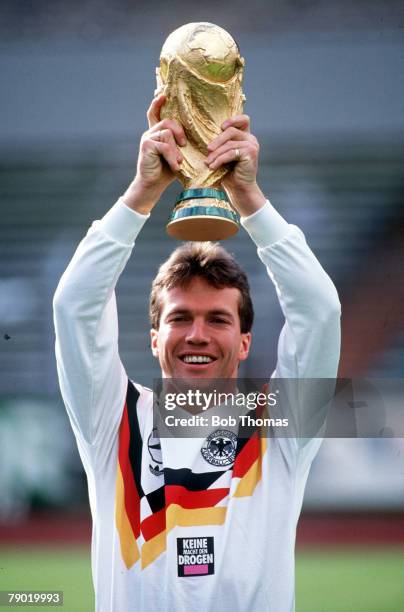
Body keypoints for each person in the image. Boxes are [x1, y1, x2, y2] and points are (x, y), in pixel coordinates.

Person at [53, 94, 341, 612]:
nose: (197, 335)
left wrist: (248, 196)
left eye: (218, 319)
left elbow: (319, 311)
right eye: (180, 318)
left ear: (246, 342)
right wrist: (144, 190)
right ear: (154, 338)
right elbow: (74, 305)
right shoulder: (110, 419)